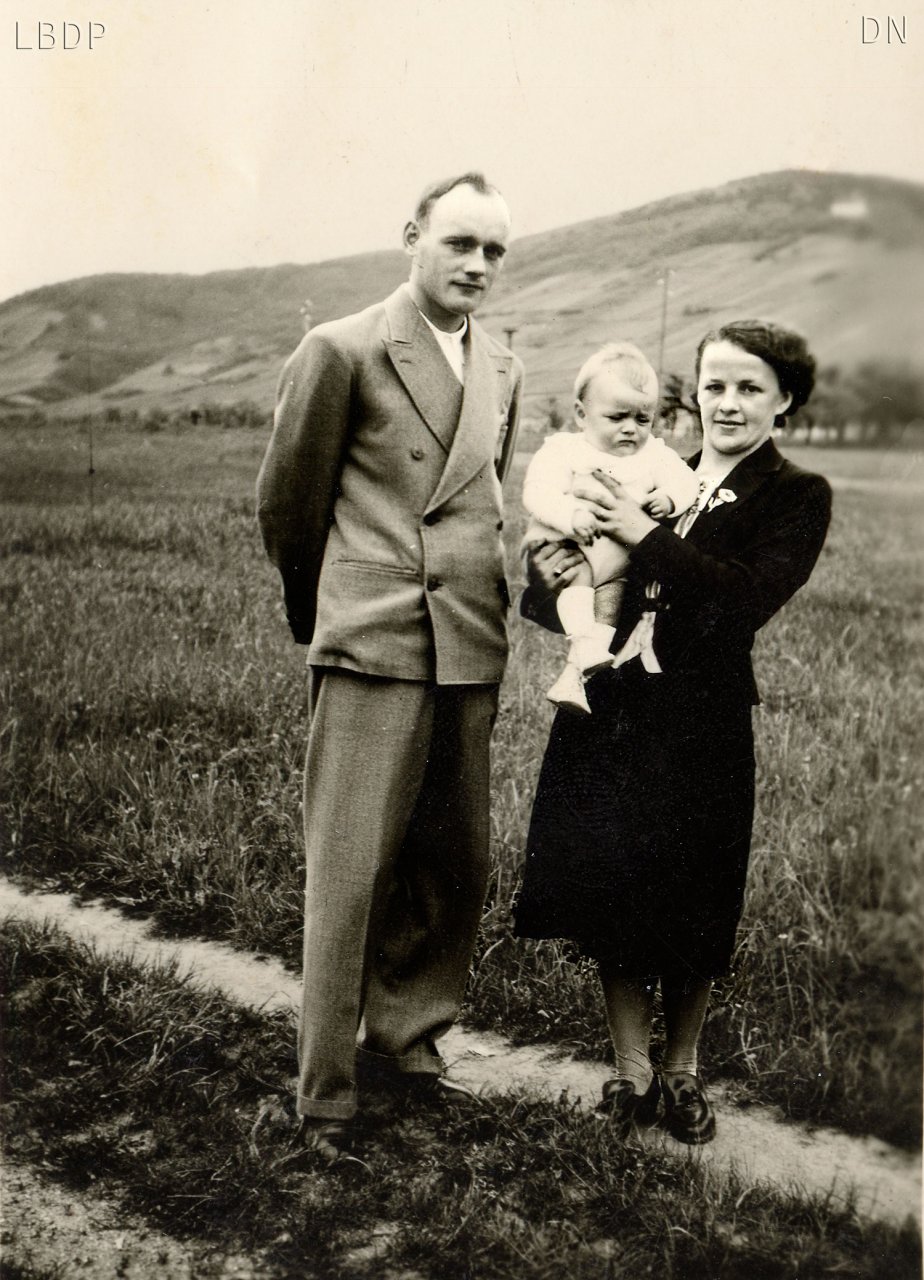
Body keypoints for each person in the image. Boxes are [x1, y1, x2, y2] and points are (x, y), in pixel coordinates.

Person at [256, 173, 523, 1162]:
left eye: (494, 251)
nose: (478, 265)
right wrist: (328, 615)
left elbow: (480, 503)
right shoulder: (343, 349)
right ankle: (324, 1093)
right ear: (412, 235)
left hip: (468, 640)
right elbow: (289, 504)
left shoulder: (502, 363)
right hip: (375, 638)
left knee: (454, 861)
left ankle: (407, 1040)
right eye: (460, 243)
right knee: (352, 870)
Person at [514, 320, 831, 1144]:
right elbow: (559, 584)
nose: (727, 402)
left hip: (703, 723)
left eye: (750, 388)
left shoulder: (795, 493)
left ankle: (683, 1070)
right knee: (616, 886)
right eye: (714, 385)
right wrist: (550, 573)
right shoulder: (650, 466)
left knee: (697, 894)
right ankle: (630, 1071)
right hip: (616, 708)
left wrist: (638, 530)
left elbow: (742, 599)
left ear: (785, 401)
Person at [522, 341, 699, 714]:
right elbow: (538, 491)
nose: (630, 429)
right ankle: (581, 646)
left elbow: (686, 480)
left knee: (611, 600)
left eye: (642, 419)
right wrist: (571, 515)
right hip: (568, 546)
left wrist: (669, 498)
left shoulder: (655, 454)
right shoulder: (565, 450)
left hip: (615, 561)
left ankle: (576, 675)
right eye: (617, 418)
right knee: (579, 578)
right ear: (581, 414)